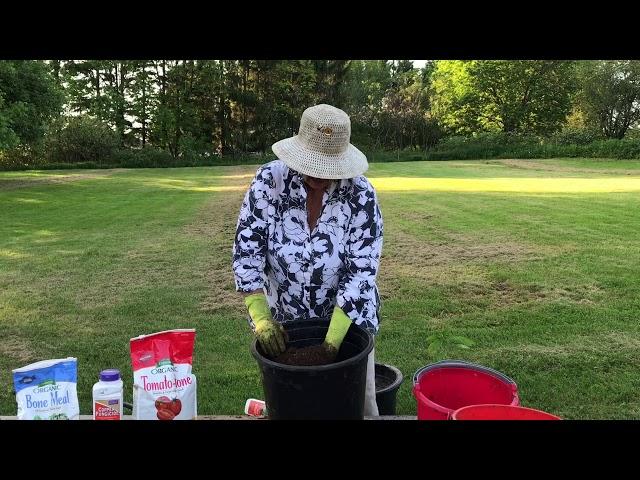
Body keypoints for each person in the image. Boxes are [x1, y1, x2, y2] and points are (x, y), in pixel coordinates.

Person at [232, 104, 383, 415]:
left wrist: (329, 346)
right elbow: (248, 253)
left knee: (355, 408)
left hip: (347, 325)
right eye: (313, 166)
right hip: (288, 325)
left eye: (328, 169)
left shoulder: (362, 196)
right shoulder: (268, 182)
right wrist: (261, 320)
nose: (318, 176)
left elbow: (361, 273)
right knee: (293, 408)